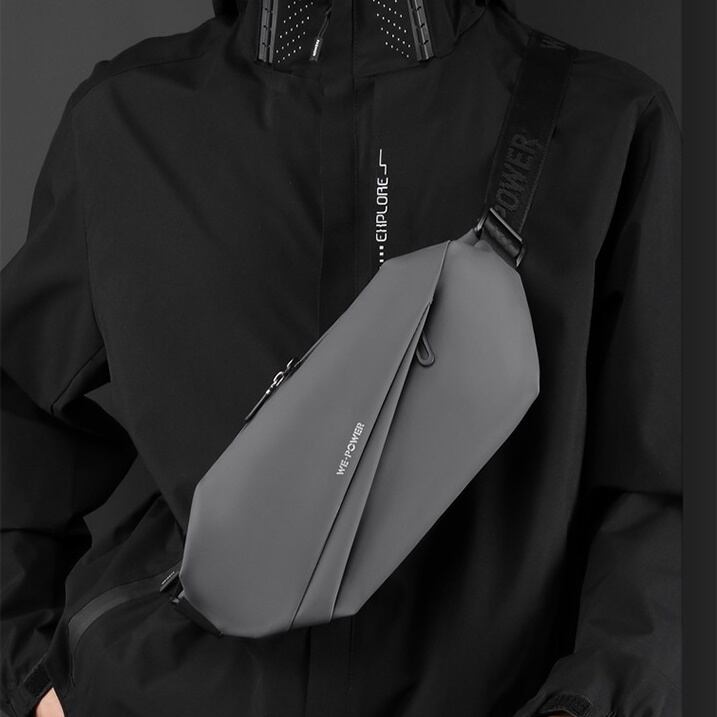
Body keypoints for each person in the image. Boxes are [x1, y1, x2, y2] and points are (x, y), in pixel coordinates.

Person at [1, 1, 681, 716]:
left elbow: (665, 492)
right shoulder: (126, 119)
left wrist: (584, 705)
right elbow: (17, 405)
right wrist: (28, 679)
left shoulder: (604, 120)